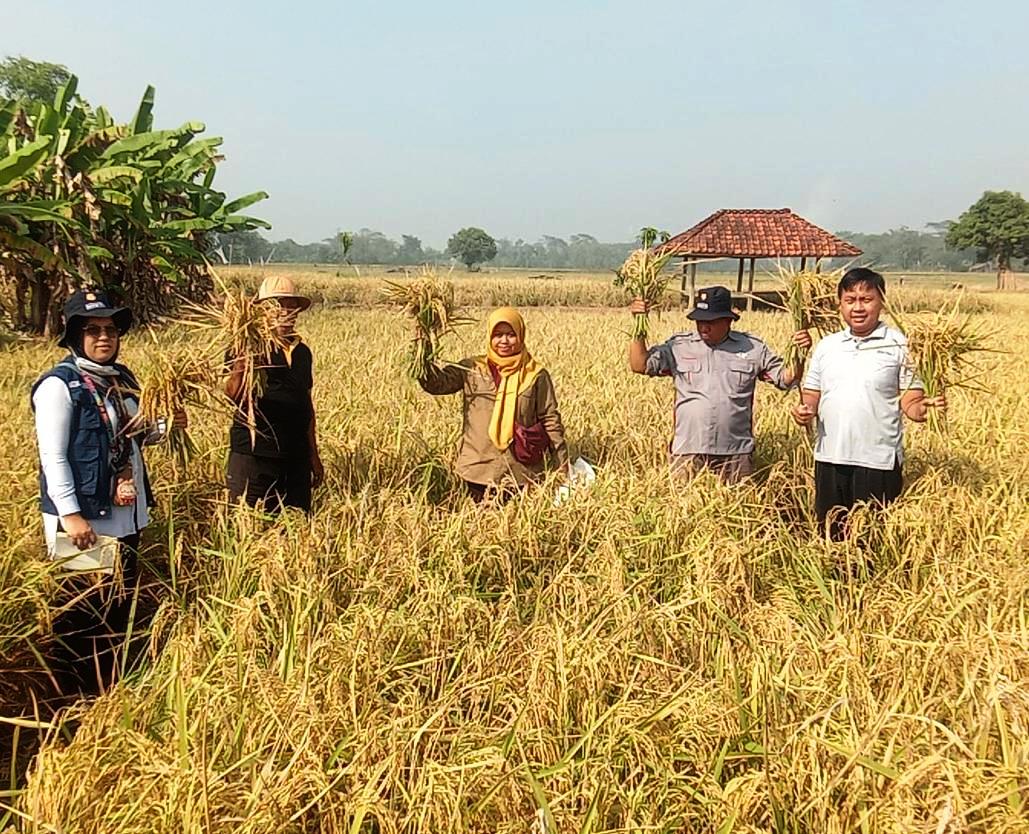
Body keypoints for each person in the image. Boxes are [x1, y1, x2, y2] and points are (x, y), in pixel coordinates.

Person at [30, 288, 185, 690]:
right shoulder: (59, 387)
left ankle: (109, 691)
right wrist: (71, 516)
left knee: (118, 605)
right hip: (86, 523)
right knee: (82, 612)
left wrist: (168, 426)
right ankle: (70, 699)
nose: (104, 338)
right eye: (94, 330)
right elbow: (54, 457)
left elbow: (138, 436)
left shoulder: (123, 379)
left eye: (111, 330)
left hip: (126, 517)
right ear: (74, 336)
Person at [791, 267, 946, 539]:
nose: (858, 307)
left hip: (878, 461)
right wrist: (804, 411)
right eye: (850, 300)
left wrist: (927, 409)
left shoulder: (901, 346)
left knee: (871, 539)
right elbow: (812, 393)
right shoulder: (827, 346)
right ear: (840, 304)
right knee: (831, 536)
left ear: (881, 301)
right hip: (829, 456)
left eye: (866, 299)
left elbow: (912, 403)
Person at [629, 285, 811, 483]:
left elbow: (787, 379)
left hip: (735, 452)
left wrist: (800, 353)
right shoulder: (679, 346)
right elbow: (640, 365)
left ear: (728, 320)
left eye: (711, 322)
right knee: (684, 510)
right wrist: (638, 325)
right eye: (700, 321)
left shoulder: (752, 348)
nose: (703, 327)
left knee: (739, 505)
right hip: (688, 450)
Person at [418, 307, 569, 502]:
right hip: (478, 469)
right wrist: (421, 347)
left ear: (521, 335)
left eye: (510, 335)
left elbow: (550, 419)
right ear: (490, 336)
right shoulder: (472, 369)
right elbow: (435, 384)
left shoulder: (535, 375)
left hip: (521, 473)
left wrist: (562, 466)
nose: (504, 341)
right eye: (498, 335)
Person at [226, 276, 323, 513]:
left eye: (291, 306)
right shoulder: (246, 346)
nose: (286, 312)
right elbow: (233, 395)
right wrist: (244, 362)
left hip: (295, 456)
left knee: (296, 527)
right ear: (263, 311)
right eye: (278, 305)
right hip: (255, 455)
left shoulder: (302, 352)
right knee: (248, 525)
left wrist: (313, 454)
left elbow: (306, 404)